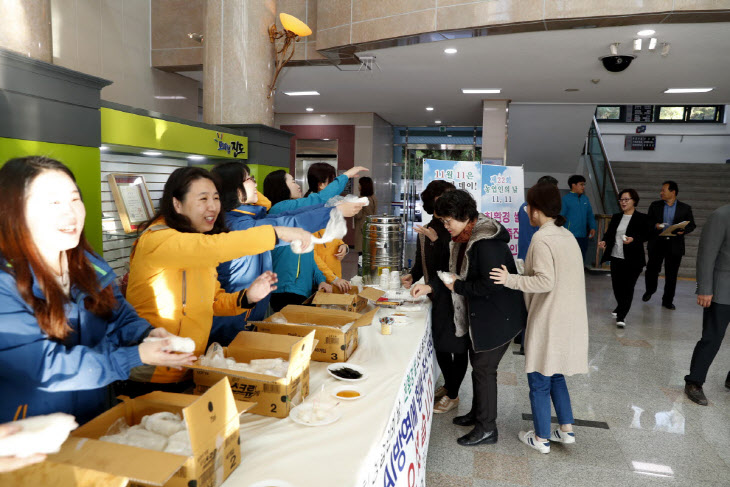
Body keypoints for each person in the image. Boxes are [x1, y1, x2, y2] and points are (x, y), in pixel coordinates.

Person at [0, 157, 195, 426]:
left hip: (93, 415)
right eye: (52, 203)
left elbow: (119, 316)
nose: (69, 214)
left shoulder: (88, 265)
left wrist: (146, 333)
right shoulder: (5, 282)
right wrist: (135, 356)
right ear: (14, 211)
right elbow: (44, 367)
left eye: (74, 200)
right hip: (31, 431)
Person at [122, 167, 312, 396]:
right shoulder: (158, 239)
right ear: (177, 204)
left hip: (189, 367)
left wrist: (247, 297)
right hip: (152, 374)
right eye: (202, 199)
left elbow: (212, 302)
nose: (212, 206)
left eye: (215, 198)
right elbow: (217, 247)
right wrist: (277, 233)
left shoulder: (197, 242)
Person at [412, 190, 526, 447]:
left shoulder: (486, 243)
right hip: (481, 316)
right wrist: (432, 286)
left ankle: (487, 428)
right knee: (479, 367)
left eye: (447, 220)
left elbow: (490, 285)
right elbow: (454, 276)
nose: (445, 226)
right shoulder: (463, 237)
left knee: (485, 369)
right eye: (442, 221)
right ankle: (478, 414)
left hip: (497, 317)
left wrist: (458, 288)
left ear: (464, 216)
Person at [209, 162, 363, 345]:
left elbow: (299, 213)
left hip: (245, 317)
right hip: (229, 324)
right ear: (233, 188)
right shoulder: (238, 226)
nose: (254, 183)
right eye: (249, 178)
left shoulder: (251, 218)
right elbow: (288, 223)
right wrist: (333, 212)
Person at [491, 182, 588, 454]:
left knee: (538, 376)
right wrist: (524, 271)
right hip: (569, 315)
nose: (527, 212)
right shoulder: (565, 235)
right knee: (555, 372)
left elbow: (545, 281)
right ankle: (566, 429)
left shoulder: (542, 238)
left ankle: (542, 437)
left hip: (549, 316)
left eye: (528, 207)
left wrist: (510, 279)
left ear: (536, 209)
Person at [401, 181, 470, 414]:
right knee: (441, 344)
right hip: (436, 295)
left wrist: (436, 240)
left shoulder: (456, 229)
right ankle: (450, 386)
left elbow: (450, 265)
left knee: (458, 346)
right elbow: (424, 262)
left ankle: (453, 393)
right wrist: (411, 276)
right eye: (445, 197)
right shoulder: (431, 226)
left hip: (455, 294)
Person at [264, 166, 368, 311]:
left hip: (302, 288)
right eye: (293, 181)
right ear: (281, 187)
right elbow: (319, 199)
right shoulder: (280, 209)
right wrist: (346, 175)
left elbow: (308, 254)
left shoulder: (292, 212)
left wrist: (320, 280)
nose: (297, 185)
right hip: (286, 288)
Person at [684, 204, 730, 406]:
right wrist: (704, 288)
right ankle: (694, 381)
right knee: (712, 338)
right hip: (722, 289)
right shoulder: (721, 215)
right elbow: (707, 254)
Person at [597, 189, 651, 328]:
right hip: (616, 257)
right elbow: (609, 234)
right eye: (621, 199)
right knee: (617, 287)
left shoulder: (642, 218)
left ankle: (621, 316)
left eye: (626, 199)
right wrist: (604, 241)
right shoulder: (616, 217)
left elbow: (647, 235)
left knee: (628, 288)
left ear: (634, 201)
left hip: (633, 260)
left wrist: (634, 239)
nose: (623, 202)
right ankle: (620, 306)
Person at [643, 180, 696, 310]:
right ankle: (650, 290)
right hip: (657, 243)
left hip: (674, 245)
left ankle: (667, 300)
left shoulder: (685, 208)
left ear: (673, 192)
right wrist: (655, 225)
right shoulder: (655, 205)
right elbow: (648, 222)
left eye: (663, 190)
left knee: (671, 275)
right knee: (652, 270)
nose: (661, 193)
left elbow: (692, 225)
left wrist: (684, 230)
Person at [304, 163, 353, 292]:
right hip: (319, 282)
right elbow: (311, 255)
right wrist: (332, 278)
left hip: (335, 277)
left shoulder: (330, 206)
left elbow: (335, 237)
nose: (336, 187)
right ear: (321, 185)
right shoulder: (309, 211)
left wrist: (344, 247)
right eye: (332, 182)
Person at [518, 176, 558, 260]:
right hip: (532, 254)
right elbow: (528, 236)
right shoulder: (531, 208)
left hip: (534, 252)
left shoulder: (533, 206)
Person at [561, 174, 596, 258]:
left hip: (583, 235)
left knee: (581, 257)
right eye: (581, 184)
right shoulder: (565, 199)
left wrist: (593, 227)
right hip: (569, 236)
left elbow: (590, 215)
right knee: (569, 258)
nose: (583, 187)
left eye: (584, 184)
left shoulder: (585, 199)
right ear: (573, 185)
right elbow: (561, 217)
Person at [354, 176, 378, 256]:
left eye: (360, 184)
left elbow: (358, 216)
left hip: (361, 229)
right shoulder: (373, 198)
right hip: (371, 227)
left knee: (361, 254)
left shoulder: (361, 199)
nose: (358, 186)